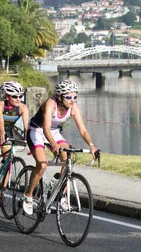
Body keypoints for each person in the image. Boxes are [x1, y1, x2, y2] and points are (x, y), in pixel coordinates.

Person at [23, 79, 98, 215]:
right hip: (37, 130)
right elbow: (45, 128)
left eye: (75, 96)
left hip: (54, 132)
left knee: (67, 158)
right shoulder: (50, 104)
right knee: (42, 164)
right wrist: (53, 145)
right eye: (69, 97)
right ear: (60, 97)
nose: (73, 100)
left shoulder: (73, 108)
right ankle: (28, 195)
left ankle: (61, 193)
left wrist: (92, 146)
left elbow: (83, 130)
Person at [0, 81, 30, 176]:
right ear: (7, 97)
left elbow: (26, 127)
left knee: (8, 160)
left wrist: (29, 139)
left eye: (20, 96)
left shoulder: (23, 108)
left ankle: (1, 189)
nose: (18, 99)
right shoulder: (0, 105)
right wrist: (2, 133)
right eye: (15, 96)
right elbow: (0, 122)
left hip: (8, 130)